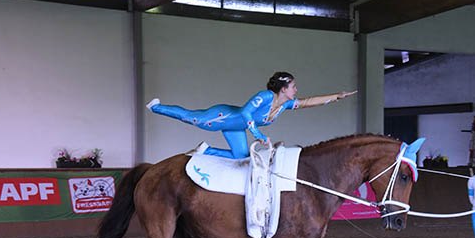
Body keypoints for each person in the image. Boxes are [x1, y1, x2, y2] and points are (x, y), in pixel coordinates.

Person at [146, 72, 357, 159]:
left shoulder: (285, 105)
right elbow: (246, 112)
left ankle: (205, 151)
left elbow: (309, 102)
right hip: (225, 116)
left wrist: (337, 96)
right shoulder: (265, 96)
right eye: (292, 86)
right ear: (283, 88)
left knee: (240, 157)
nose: (295, 89)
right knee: (191, 118)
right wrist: (257, 134)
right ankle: (156, 107)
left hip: (236, 128)